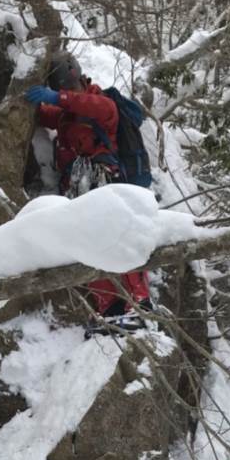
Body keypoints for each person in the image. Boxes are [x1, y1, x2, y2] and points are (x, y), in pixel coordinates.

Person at [25, 51, 151, 330]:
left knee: (118, 238)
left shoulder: (101, 103)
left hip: (106, 183)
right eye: (64, 88)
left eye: (70, 87)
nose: (68, 92)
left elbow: (95, 107)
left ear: (81, 79)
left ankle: (138, 305)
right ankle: (110, 309)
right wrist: (33, 104)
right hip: (79, 188)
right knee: (89, 246)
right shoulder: (67, 114)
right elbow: (47, 114)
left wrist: (58, 97)